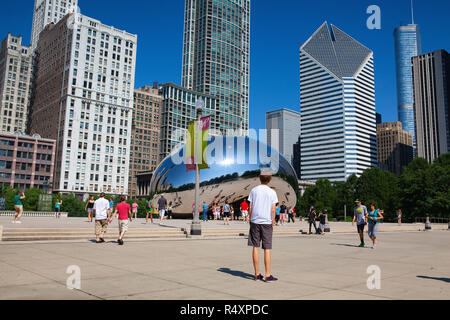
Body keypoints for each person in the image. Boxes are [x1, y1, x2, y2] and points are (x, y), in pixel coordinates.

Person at [248, 172, 279, 282]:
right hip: (266, 221)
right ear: (269, 179)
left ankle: (256, 273)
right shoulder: (272, 192)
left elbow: (250, 206)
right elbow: (273, 209)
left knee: (255, 247)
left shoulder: (254, 190)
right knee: (267, 248)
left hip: (255, 221)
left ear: (259, 178)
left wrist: (250, 217)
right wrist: (273, 220)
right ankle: (267, 274)